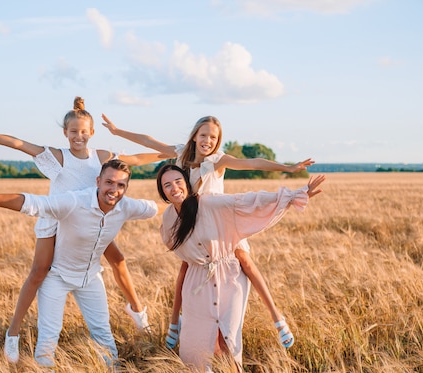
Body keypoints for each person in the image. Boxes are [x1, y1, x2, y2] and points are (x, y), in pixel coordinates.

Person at [0, 97, 163, 364]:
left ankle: (137, 312)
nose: (78, 136)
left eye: (84, 132)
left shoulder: (102, 157)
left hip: (91, 217)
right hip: (56, 217)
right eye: (73, 132)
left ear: (92, 133)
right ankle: (13, 332)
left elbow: (138, 159)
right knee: (40, 271)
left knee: (118, 259)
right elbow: (16, 142)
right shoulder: (57, 156)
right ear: (65, 133)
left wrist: (173, 152)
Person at [101, 114, 314, 350]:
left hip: (219, 220)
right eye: (204, 135)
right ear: (195, 136)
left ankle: (278, 320)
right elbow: (150, 141)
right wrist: (116, 130)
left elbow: (252, 163)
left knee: (245, 260)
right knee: (186, 268)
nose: (208, 140)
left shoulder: (218, 160)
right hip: (193, 221)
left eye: (213, 137)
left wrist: (288, 168)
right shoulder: (181, 153)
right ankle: (175, 323)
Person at [0, 159, 158, 373]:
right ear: (98, 181)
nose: (114, 189)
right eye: (109, 182)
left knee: (103, 334)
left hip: (91, 278)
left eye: (121, 185)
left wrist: (183, 193)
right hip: (58, 277)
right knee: (48, 338)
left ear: (127, 188)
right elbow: (30, 202)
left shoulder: (127, 207)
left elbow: (154, 207)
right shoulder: (74, 201)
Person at [155, 164, 325, 373]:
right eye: (167, 185)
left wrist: (295, 195)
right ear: (163, 192)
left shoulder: (208, 202)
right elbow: (185, 265)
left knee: (227, 338)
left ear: (187, 183)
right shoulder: (168, 220)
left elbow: (246, 200)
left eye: (178, 181)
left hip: (229, 278)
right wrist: (174, 321)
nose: (174, 187)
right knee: (196, 346)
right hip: (197, 282)